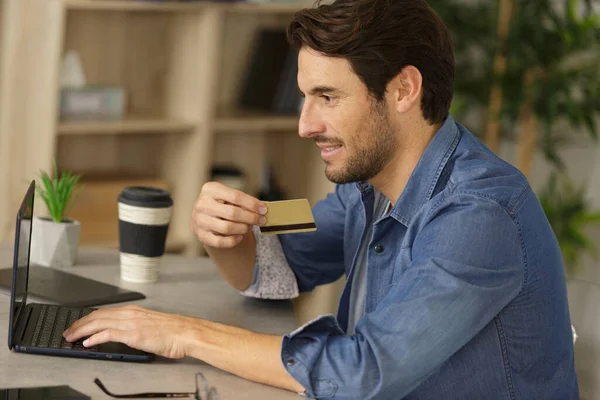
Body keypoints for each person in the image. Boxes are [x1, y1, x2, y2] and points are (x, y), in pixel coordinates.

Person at [63, 0, 579, 398]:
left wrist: (184, 335)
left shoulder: (477, 214)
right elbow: (280, 265)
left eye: (327, 97)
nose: (305, 126)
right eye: (305, 96)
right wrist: (225, 235)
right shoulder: (365, 187)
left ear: (403, 90)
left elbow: (361, 374)